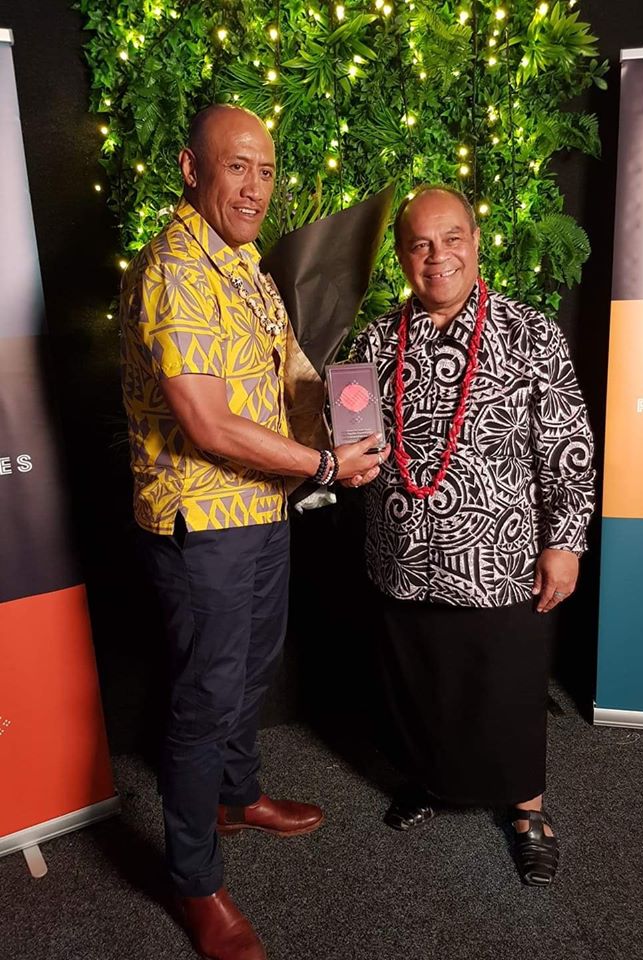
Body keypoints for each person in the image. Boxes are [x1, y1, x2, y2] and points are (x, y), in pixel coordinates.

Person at [119, 104, 387, 960]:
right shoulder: (175, 269)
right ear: (191, 169)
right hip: (203, 522)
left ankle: (236, 796)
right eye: (237, 167)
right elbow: (208, 422)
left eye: (265, 171)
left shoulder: (245, 265)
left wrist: (353, 413)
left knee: (254, 665)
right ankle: (195, 881)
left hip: (262, 510)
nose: (255, 187)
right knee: (205, 696)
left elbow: (292, 373)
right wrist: (324, 466)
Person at [348, 185, 595, 886]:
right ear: (402, 256)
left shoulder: (531, 333)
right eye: (420, 244)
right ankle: (434, 779)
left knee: (506, 687)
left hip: (500, 558)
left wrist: (565, 541)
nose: (438, 256)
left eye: (452, 238)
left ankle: (528, 810)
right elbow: (357, 441)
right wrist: (346, 456)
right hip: (403, 558)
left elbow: (568, 446)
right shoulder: (373, 343)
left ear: (476, 242)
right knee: (422, 683)